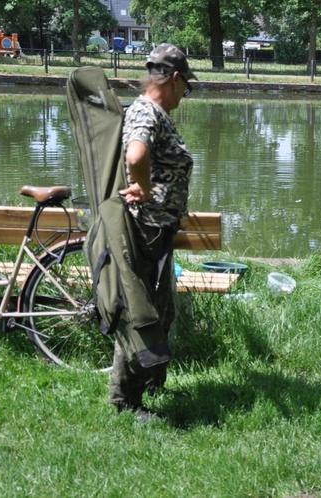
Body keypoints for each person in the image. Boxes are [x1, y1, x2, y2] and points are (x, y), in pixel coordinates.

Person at [109, 43, 198, 420]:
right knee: (141, 314)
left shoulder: (154, 112)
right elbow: (136, 155)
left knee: (163, 313)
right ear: (174, 79)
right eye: (186, 86)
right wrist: (143, 189)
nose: (185, 94)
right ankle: (124, 400)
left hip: (159, 227)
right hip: (147, 229)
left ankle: (149, 384)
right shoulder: (147, 111)